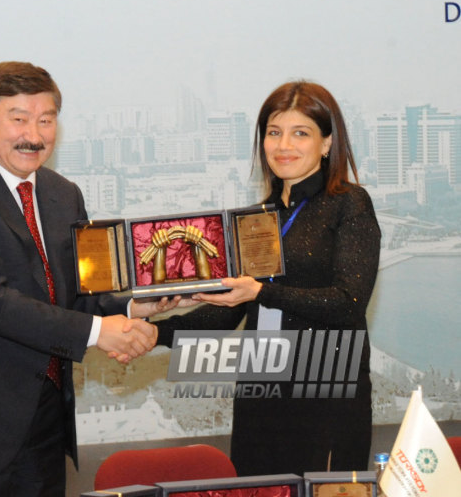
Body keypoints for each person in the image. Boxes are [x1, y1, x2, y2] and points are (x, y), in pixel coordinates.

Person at [0, 61, 175, 496]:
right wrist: (102, 332)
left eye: (46, 120)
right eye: (19, 119)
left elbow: (72, 295)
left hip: (45, 420)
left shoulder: (63, 194)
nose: (34, 134)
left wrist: (133, 306)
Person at [146, 81, 381, 476]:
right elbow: (228, 313)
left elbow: (349, 301)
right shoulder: (254, 218)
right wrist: (153, 331)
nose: (283, 145)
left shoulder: (349, 204)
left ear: (327, 143)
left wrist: (262, 290)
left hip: (326, 389)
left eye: (300, 133)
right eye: (274, 133)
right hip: (262, 386)